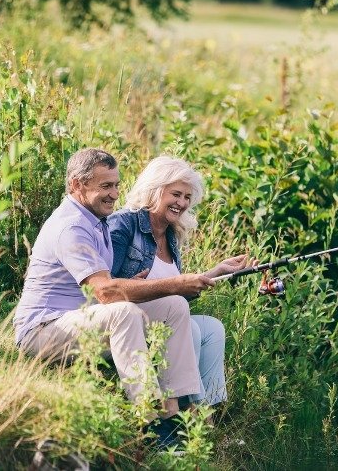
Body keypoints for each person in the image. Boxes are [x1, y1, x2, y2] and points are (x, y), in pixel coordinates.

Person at [13, 148, 214, 449]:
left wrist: (145, 289)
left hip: (80, 321)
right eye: (105, 186)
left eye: (116, 185)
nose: (114, 194)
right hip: (43, 331)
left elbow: (107, 287)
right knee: (124, 312)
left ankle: (174, 410)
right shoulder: (71, 226)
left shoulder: (98, 221)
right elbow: (105, 291)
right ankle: (148, 419)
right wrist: (172, 283)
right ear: (76, 185)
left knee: (174, 305)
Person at [108, 156, 252, 409]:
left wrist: (215, 272)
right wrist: (130, 284)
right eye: (176, 194)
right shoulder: (124, 223)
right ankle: (181, 412)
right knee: (193, 329)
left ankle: (206, 411)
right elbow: (103, 286)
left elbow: (174, 293)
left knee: (212, 328)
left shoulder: (171, 234)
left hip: (164, 318)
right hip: (128, 321)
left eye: (187, 197)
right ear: (155, 190)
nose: (182, 203)